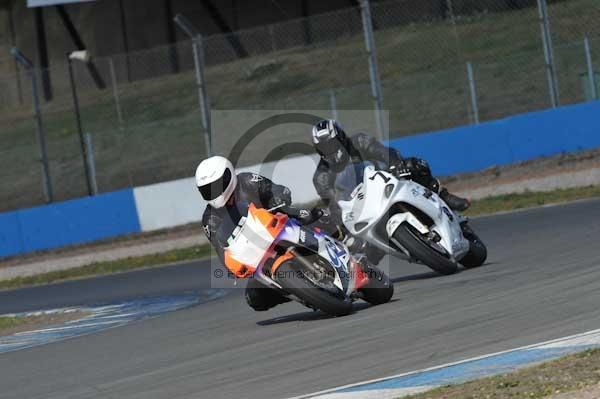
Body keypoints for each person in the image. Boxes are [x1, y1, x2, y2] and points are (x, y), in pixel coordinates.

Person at [311, 119, 470, 262]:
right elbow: (333, 205)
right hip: (362, 204)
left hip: (385, 179)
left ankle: (443, 194)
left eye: (331, 144)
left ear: (341, 138)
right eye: (323, 147)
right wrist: (347, 231)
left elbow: (384, 152)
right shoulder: (321, 177)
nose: (329, 150)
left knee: (415, 165)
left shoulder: (359, 141)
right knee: (367, 255)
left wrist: (396, 165)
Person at [196, 155, 325, 312]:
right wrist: (233, 266)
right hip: (257, 256)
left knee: (317, 217)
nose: (213, 192)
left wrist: (278, 199)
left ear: (228, 176)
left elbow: (275, 189)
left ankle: (349, 243)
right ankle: (300, 290)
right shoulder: (210, 219)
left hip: (280, 225)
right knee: (254, 297)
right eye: (207, 190)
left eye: (216, 186)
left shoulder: (247, 181)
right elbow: (220, 248)